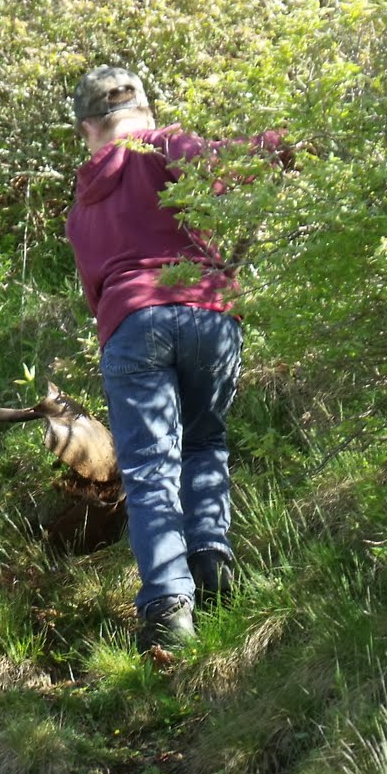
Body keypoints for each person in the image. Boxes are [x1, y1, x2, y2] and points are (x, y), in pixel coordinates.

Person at [64, 66, 291, 655]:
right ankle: (212, 568)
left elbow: (96, 292)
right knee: (205, 442)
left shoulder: (82, 207)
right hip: (209, 313)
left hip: (133, 322)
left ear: (88, 128)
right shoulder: (169, 146)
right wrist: (291, 139)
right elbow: (239, 162)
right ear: (146, 109)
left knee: (148, 469)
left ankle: (168, 608)